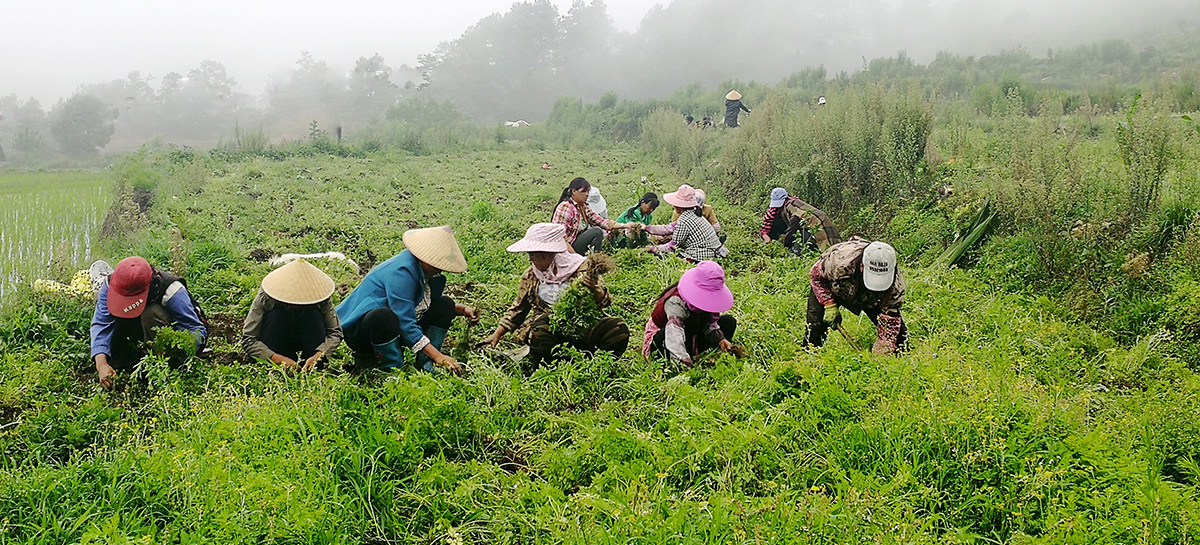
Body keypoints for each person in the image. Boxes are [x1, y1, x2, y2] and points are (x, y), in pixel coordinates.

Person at [481, 223, 630, 371]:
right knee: (541, 326)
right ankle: (554, 363)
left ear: (546, 253)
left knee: (617, 329)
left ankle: (595, 365)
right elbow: (518, 308)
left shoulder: (583, 268)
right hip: (550, 332)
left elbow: (604, 301)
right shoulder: (531, 275)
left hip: (583, 326)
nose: (530, 259)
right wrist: (497, 335)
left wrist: (595, 289)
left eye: (532, 254)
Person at [336, 226, 478, 374]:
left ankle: (427, 363)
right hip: (364, 330)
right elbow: (405, 320)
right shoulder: (402, 271)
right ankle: (391, 370)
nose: (440, 269)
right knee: (384, 317)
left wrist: (460, 310)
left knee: (445, 304)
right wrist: (439, 356)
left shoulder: (426, 272)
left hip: (393, 326)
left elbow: (423, 303)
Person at [90, 256, 208, 387]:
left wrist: (182, 351)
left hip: (161, 337)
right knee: (105, 303)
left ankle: (158, 367)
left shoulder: (171, 291)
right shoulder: (111, 284)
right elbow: (102, 323)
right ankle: (123, 360)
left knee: (151, 313)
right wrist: (101, 364)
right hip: (137, 331)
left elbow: (196, 329)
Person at [806, 238, 907, 355]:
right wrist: (829, 304)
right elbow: (816, 277)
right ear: (862, 267)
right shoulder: (840, 262)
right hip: (836, 286)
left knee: (900, 339)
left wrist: (883, 348)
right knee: (815, 329)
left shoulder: (895, 287)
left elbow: (890, 318)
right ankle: (809, 358)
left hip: (871, 299)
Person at [242, 259, 343, 373]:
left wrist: (319, 355)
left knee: (313, 316)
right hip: (277, 343)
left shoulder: (321, 298)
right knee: (276, 315)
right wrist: (276, 359)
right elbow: (249, 339)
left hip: (307, 345)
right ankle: (275, 370)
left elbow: (335, 332)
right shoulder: (266, 297)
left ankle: (311, 368)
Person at [644, 261, 737, 368]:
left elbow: (708, 323)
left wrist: (720, 339)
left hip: (691, 335)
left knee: (728, 322)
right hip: (666, 341)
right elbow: (674, 337)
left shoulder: (708, 303)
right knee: (667, 334)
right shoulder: (675, 301)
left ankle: (721, 353)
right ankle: (674, 363)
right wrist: (685, 364)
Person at [551, 177, 639, 254]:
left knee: (601, 232)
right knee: (596, 232)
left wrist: (625, 225)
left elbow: (601, 222)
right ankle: (595, 258)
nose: (586, 194)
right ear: (574, 191)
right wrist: (573, 257)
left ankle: (593, 258)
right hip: (565, 247)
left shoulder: (583, 206)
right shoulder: (566, 207)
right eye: (583, 191)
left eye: (588, 191)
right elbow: (559, 236)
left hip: (575, 242)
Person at [647, 184, 727, 262]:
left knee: (663, 256)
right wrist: (647, 228)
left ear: (679, 206)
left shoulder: (684, 220)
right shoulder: (694, 214)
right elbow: (669, 228)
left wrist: (654, 249)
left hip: (701, 257)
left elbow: (673, 246)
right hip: (714, 252)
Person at [759, 187, 841, 254]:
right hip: (819, 221)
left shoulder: (792, 206)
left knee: (826, 245)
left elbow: (792, 227)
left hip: (816, 225)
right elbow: (766, 226)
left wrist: (786, 243)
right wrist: (766, 237)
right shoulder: (777, 210)